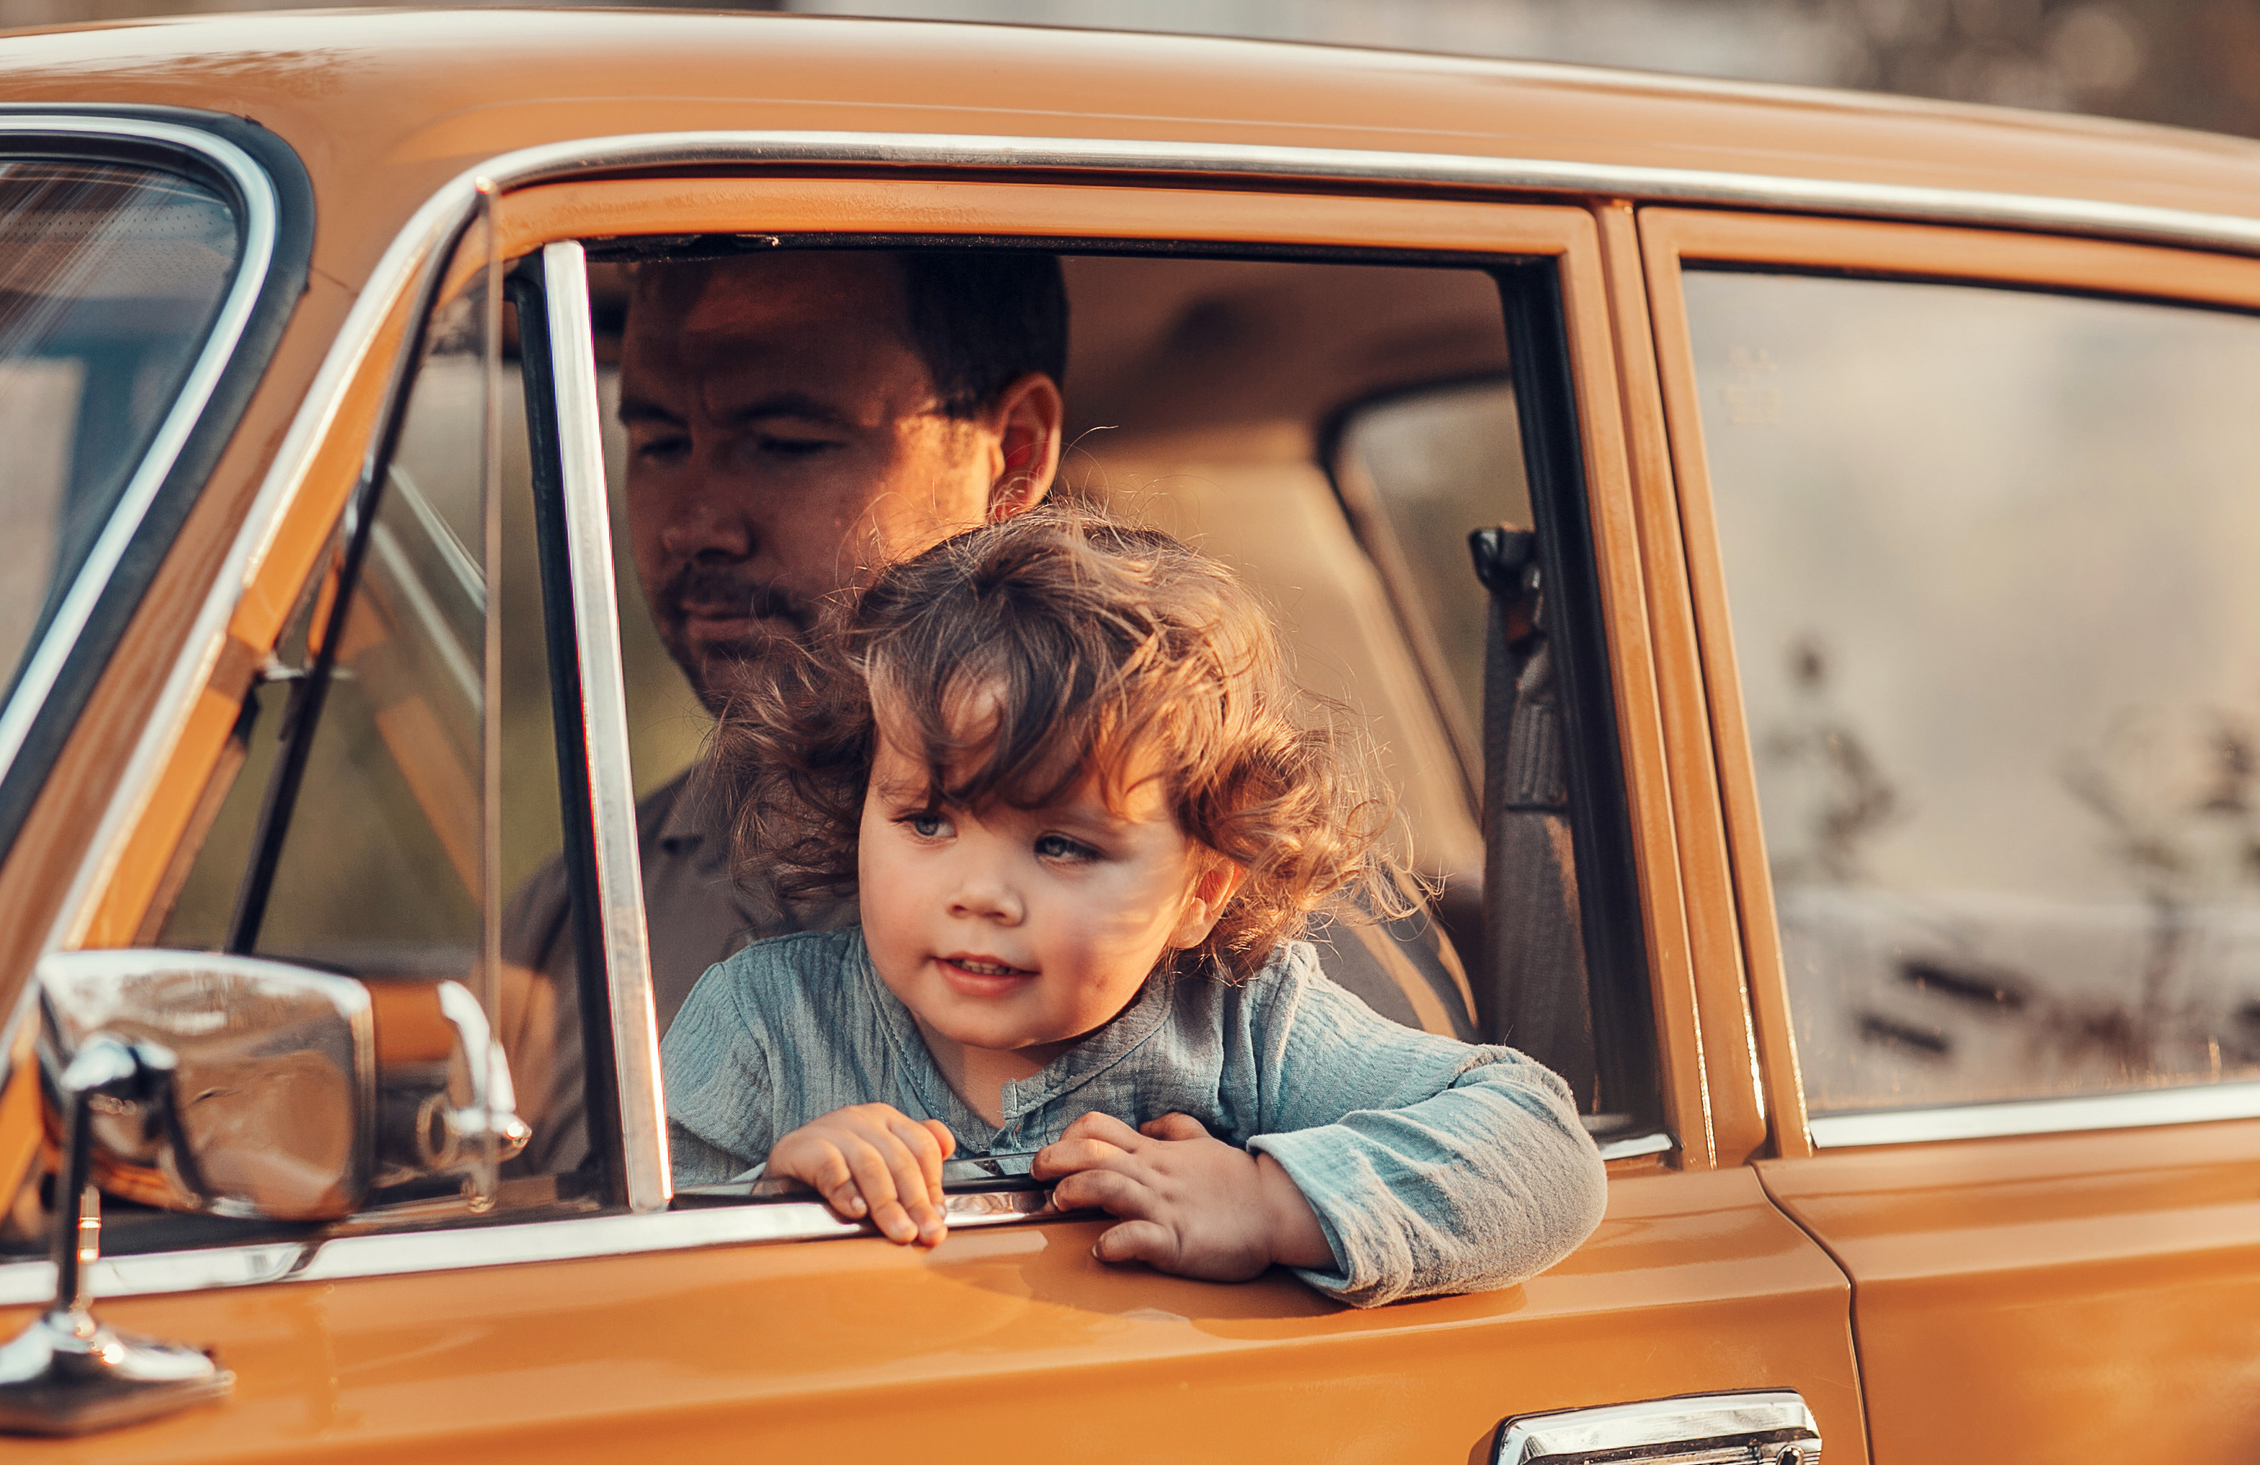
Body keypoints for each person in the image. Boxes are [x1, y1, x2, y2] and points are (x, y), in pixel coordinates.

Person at [504, 246, 1475, 1178]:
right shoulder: (582, 899)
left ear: (1011, 455)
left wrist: (1263, 1197)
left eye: (786, 443)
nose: (693, 522)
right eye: (659, 443)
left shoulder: (1258, 957)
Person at [661, 510, 1604, 1306]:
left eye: (1062, 844)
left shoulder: (1244, 1025)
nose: (979, 894)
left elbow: (1543, 1151)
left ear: (1200, 891)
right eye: (927, 820)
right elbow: (623, 1288)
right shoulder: (764, 1024)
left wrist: (1272, 1204)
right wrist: (770, 1192)